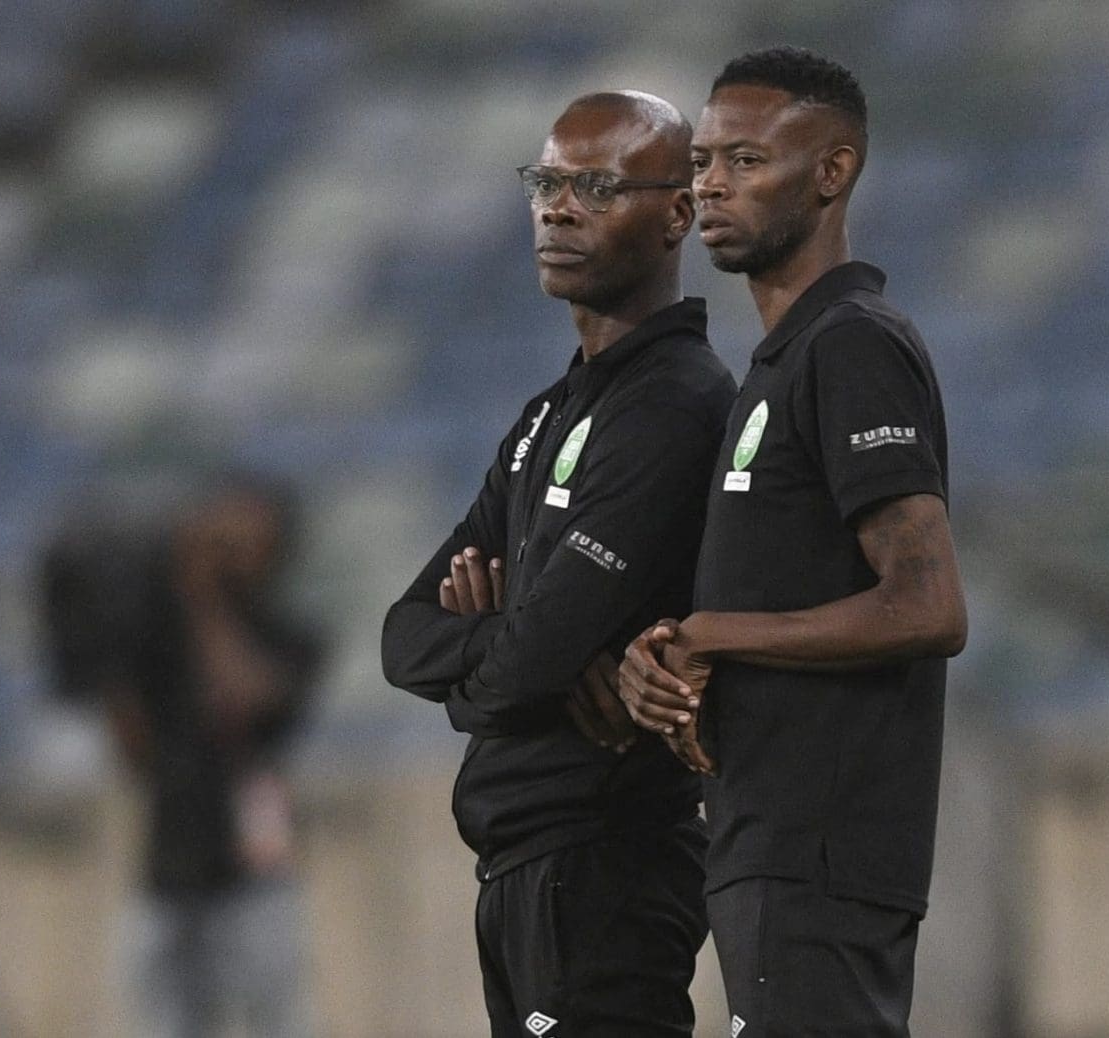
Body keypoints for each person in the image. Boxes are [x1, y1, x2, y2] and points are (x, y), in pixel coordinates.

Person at [617, 47, 968, 1037]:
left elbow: (926, 603)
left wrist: (716, 633)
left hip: (817, 850)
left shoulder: (850, 342)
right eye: (703, 161)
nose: (711, 183)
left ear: (832, 171)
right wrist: (671, 659)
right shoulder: (777, 362)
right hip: (761, 838)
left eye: (746, 160)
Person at [380, 90, 736, 1037]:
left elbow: (525, 660)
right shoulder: (551, 412)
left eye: (595, 186)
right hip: (523, 863)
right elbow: (404, 633)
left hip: (603, 856)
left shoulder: (675, 405)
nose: (556, 207)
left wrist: (502, 662)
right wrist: (511, 658)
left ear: (676, 216)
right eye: (546, 181)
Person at [39, 474, 323, 1038]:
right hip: (169, 871)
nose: (229, 554)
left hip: (255, 879)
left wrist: (199, 593)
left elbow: (245, 698)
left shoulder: (290, 636)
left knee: (280, 1019)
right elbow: (130, 742)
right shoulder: (156, 633)